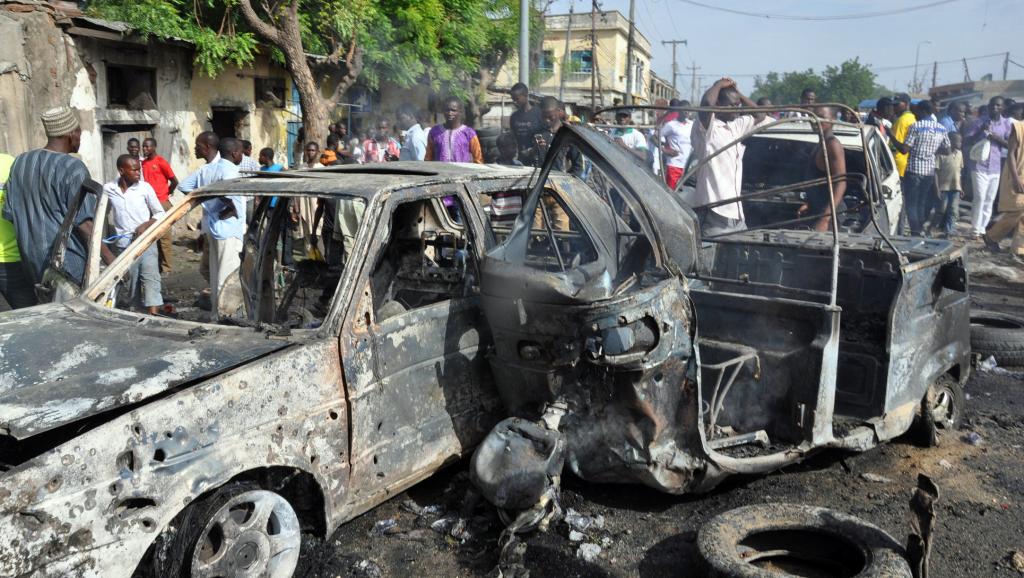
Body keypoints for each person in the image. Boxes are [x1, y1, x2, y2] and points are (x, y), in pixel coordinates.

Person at [4, 106, 113, 288]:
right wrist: (111, 260)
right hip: (67, 267)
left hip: (31, 266)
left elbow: (10, 214)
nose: (80, 137)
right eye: (79, 131)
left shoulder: (20, 162)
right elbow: (84, 224)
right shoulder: (73, 167)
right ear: (71, 133)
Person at [178, 132, 244, 319]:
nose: (242, 156)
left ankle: (217, 314)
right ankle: (226, 316)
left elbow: (184, 186)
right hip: (228, 229)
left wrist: (207, 200)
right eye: (240, 152)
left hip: (214, 228)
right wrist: (229, 205)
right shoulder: (230, 170)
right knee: (228, 276)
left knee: (216, 276)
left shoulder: (206, 170)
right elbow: (228, 193)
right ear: (234, 153)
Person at [690, 78, 766, 236]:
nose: (737, 109)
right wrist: (718, 85)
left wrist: (738, 93)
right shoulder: (707, 129)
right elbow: (706, 105)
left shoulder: (735, 126)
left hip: (736, 215)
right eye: (732, 105)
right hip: (714, 214)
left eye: (738, 106)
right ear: (718, 104)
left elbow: (760, 114)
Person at [104, 155, 165, 314]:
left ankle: (154, 315)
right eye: (134, 170)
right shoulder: (109, 189)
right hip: (123, 244)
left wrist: (146, 225)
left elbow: (160, 213)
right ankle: (135, 312)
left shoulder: (145, 188)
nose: (139, 173)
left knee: (150, 277)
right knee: (132, 281)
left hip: (146, 241)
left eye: (139, 169)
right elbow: (103, 212)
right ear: (121, 171)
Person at [965, 96, 1012, 239]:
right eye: (992, 105)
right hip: (979, 165)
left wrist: (997, 138)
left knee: (990, 199)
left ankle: (983, 228)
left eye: (998, 105)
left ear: (1003, 108)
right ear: (989, 105)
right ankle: (975, 229)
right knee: (979, 197)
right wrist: (981, 131)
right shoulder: (979, 121)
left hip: (995, 167)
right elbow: (967, 140)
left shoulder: (1006, 124)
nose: (995, 108)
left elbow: (1010, 145)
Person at [902, 100, 950, 236]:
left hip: (914, 170)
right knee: (922, 202)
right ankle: (920, 230)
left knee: (911, 203)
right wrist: (931, 151)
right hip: (929, 171)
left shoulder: (916, 126)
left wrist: (890, 135)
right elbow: (947, 150)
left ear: (922, 111)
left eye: (916, 111)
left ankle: (915, 231)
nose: (914, 113)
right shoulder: (941, 128)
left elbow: (904, 149)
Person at [984, 103, 1024, 261]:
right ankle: (992, 236)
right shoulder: (1018, 127)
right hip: (1017, 175)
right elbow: (1011, 154)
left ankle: (1018, 249)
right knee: (1018, 210)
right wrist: (1015, 178)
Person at [798, 106, 847, 232]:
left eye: (821, 117)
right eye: (813, 117)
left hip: (829, 215)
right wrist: (809, 203)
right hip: (817, 209)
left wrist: (825, 219)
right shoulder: (820, 144)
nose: (815, 121)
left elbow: (841, 183)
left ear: (833, 120)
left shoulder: (832, 145)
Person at [0, 153, 37, 309]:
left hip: (12, 260)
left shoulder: (12, 163)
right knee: (29, 315)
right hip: (12, 259)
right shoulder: (12, 163)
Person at [141, 137, 178, 273]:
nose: (144, 149)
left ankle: (167, 268)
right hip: (149, 204)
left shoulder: (161, 162)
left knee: (164, 237)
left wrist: (167, 192)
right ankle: (156, 265)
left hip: (161, 203)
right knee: (152, 237)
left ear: (154, 147)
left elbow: (174, 181)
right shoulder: (143, 163)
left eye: (147, 146)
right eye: (143, 146)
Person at [533, 96, 584, 178]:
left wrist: (568, 181)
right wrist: (534, 149)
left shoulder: (568, 134)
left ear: (559, 112)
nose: (547, 120)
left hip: (560, 181)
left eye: (550, 117)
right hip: (538, 180)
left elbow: (578, 166)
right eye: (544, 117)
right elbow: (526, 158)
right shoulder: (537, 133)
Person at [425, 96, 484, 163]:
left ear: (460, 112)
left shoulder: (469, 133)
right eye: (447, 110)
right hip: (440, 169)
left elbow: (478, 158)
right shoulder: (435, 132)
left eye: (453, 110)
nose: (450, 113)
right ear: (443, 111)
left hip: (462, 170)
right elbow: (428, 158)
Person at [934, 133, 965, 237]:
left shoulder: (960, 154)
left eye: (961, 141)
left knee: (953, 210)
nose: (960, 143)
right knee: (941, 209)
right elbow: (936, 172)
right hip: (944, 187)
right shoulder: (941, 155)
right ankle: (935, 227)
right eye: (958, 141)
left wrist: (961, 187)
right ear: (950, 141)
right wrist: (937, 188)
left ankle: (949, 229)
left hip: (956, 187)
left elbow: (959, 172)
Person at [660, 99, 694, 190]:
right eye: (684, 110)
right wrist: (665, 150)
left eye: (688, 110)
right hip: (674, 165)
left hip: (688, 167)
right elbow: (654, 137)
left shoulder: (692, 124)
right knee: (671, 192)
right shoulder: (671, 125)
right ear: (679, 110)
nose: (687, 112)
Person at [509, 82, 544, 166]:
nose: (515, 102)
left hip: (538, 159)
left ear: (525, 95)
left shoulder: (539, 113)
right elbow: (513, 137)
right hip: (522, 159)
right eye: (513, 99)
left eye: (517, 99)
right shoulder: (514, 117)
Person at [890, 93, 916, 180]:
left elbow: (894, 146)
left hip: (898, 162)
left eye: (897, 104)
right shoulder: (913, 118)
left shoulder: (902, 120)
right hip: (908, 162)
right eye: (894, 105)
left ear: (907, 104)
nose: (894, 107)